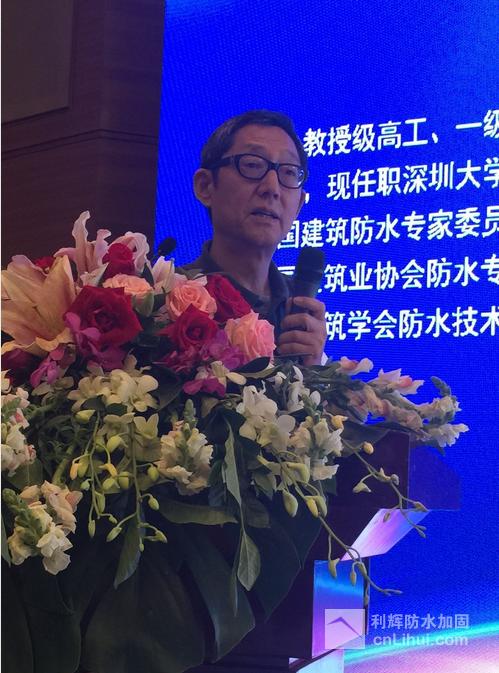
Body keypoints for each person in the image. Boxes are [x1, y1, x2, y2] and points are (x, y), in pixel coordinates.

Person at [184, 110, 327, 366]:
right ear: (205, 186)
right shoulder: (169, 297)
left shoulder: (300, 310)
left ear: (299, 206)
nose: (272, 188)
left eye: (288, 172)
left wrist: (314, 370)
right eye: (252, 165)